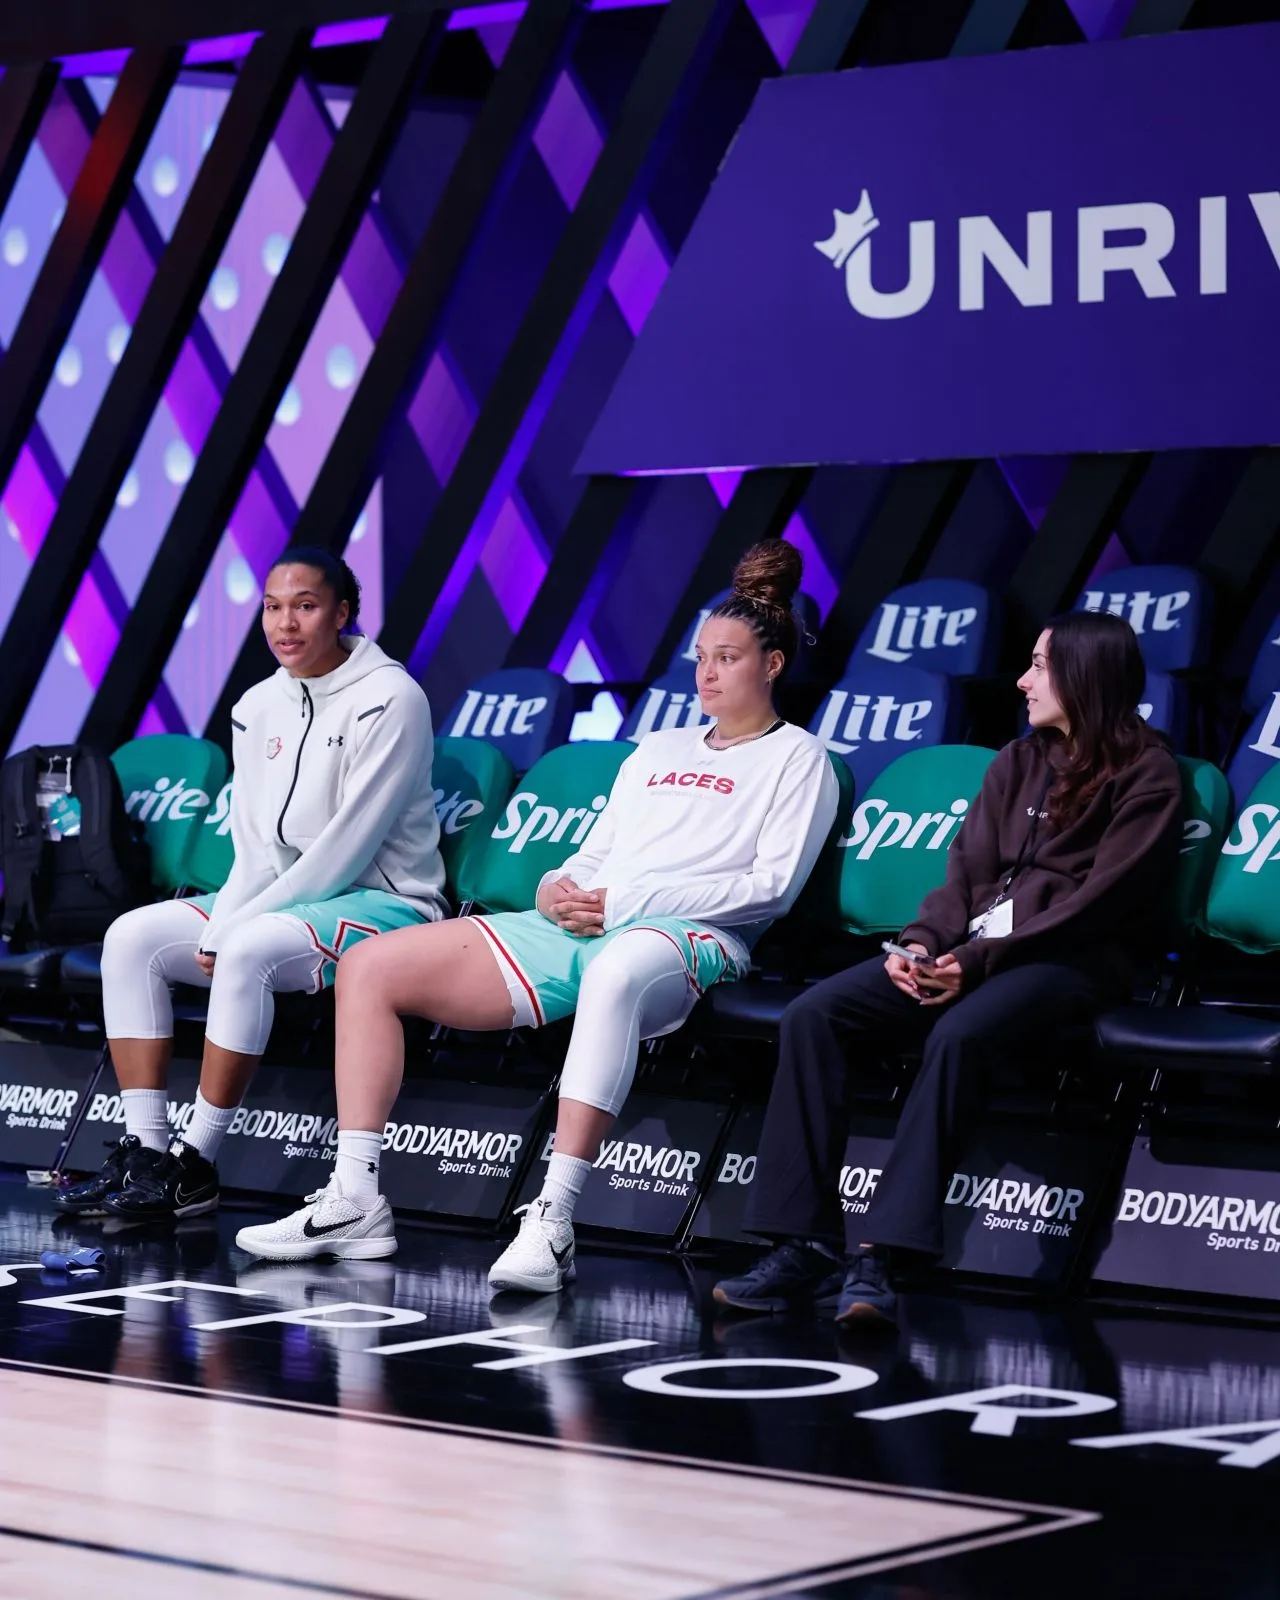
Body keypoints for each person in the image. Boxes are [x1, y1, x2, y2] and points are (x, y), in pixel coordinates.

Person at [235, 540, 840, 1275]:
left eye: (728, 659)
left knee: (616, 972)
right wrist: (558, 883)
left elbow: (769, 887)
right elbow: (597, 850)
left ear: (772, 664)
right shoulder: (658, 747)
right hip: (586, 919)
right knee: (367, 967)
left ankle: (553, 1218)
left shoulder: (800, 757)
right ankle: (354, 1198)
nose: (706, 674)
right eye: (701, 658)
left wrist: (626, 901)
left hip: (691, 936)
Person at [713, 610, 1183, 1328]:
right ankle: (802, 1243)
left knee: (959, 1034)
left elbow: (1099, 904)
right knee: (815, 1015)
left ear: (1085, 675)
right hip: (970, 953)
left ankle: (883, 1255)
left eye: (1039, 666)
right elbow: (964, 877)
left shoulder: (1149, 775)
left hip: (1071, 963)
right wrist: (922, 945)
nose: (1022, 681)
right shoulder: (1016, 761)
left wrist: (976, 960)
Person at [56, 548, 448, 1221]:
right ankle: (149, 1153)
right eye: (273, 607)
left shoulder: (392, 699)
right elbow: (255, 849)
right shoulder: (257, 705)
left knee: (247, 946)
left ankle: (195, 1163)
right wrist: (227, 916)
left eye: (306, 606)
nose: (285, 623)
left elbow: (346, 849)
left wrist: (237, 926)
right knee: (131, 938)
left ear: (342, 613)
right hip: (287, 897)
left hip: (387, 903)